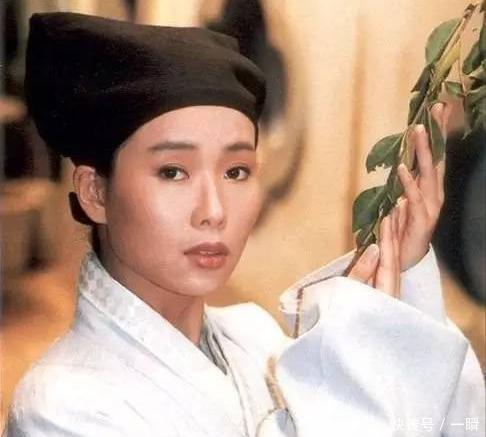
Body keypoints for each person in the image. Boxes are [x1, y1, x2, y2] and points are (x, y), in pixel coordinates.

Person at [6, 11, 485, 437]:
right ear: (94, 192)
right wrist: (352, 363)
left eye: (236, 171)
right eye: (173, 172)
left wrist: (400, 303)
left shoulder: (253, 336)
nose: (214, 210)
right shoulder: (62, 407)